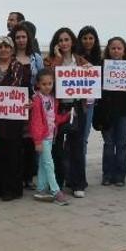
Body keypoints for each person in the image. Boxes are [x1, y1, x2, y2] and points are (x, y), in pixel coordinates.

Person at [44, 28, 90, 197]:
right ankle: (57, 182)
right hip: (58, 108)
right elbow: (47, 79)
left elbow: (91, 79)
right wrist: (57, 59)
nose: (64, 43)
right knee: (56, 147)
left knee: (77, 146)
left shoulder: (80, 60)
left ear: (72, 42)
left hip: (77, 107)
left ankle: (78, 184)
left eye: (66, 39)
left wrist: (89, 70)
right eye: (60, 40)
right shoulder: (50, 60)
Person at [0, 36, 31, 201]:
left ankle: (11, 189)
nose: (3, 49)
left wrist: (28, 102)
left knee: (12, 154)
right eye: (0, 46)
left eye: (7, 46)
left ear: (12, 49)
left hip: (13, 119)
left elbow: (27, 91)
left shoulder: (22, 68)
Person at [99, 37, 126, 187]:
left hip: (125, 113)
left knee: (121, 144)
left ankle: (120, 175)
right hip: (107, 112)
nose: (116, 51)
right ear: (108, 50)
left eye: (119, 48)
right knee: (108, 144)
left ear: (124, 50)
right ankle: (107, 174)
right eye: (113, 48)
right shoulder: (102, 67)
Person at [30, 69, 71, 205]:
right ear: (38, 85)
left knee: (43, 164)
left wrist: (66, 116)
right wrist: (37, 141)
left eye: (50, 83)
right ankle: (55, 191)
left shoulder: (53, 99)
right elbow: (36, 121)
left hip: (49, 136)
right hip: (42, 138)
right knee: (49, 164)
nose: (47, 86)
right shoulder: (37, 100)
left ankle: (41, 189)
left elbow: (53, 118)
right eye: (44, 84)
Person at [11, 23, 44, 190]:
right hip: (12, 106)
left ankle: (29, 177)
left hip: (31, 104)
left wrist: (35, 99)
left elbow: (41, 81)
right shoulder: (8, 57)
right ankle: (16, 175)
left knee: (30, 141)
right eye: (18, 37)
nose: (21, 40)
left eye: (24, 37)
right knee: (16, 141)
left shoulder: (36, 58)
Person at [76, 26, 102, 159]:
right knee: (75, 137)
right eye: (84, 38)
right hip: (75, 101)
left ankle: (81, 168)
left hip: (91, 102)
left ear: (95, 40)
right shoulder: (75, 57)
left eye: (91, 38)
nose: (87, 41)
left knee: (84, 137)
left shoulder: (100, 58)